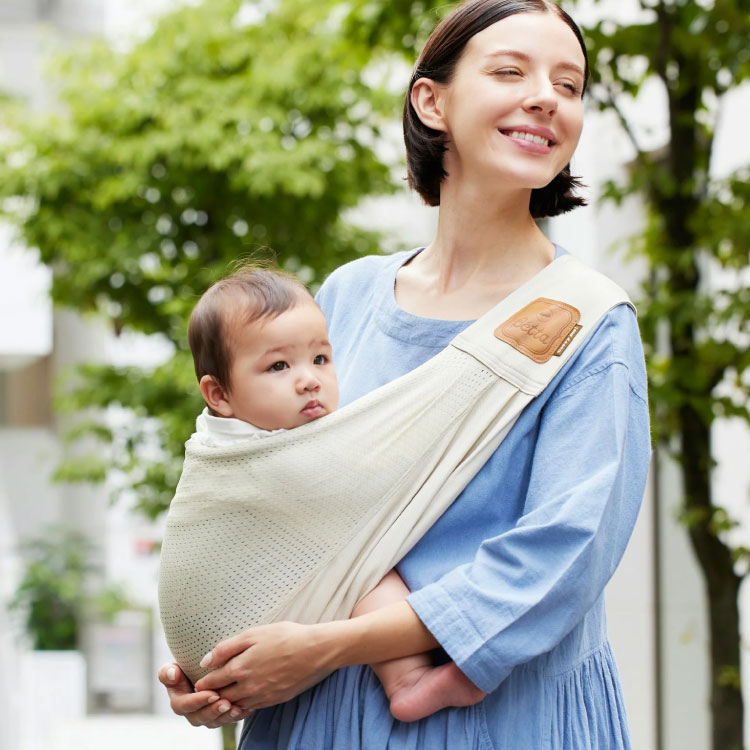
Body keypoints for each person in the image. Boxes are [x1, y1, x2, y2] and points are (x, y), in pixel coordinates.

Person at [159, 1, 651, 747]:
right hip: (316, 715)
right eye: (511, 71)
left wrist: (324, 647)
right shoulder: (347, 297)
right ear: (432, 100)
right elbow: (278, 490)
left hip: (499, 717)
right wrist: (222, 659)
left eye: (571, 84)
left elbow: (562, 557)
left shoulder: (586, 320)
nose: (548, 97)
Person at [182, 266, 486, 721]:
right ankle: (406, 679)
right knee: (367, 566)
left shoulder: (243, 434)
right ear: (219, 395)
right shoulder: (247, 456)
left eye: (321, 359)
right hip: (240, 628)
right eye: (279, 366)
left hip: (228, 653)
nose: (309, 379)